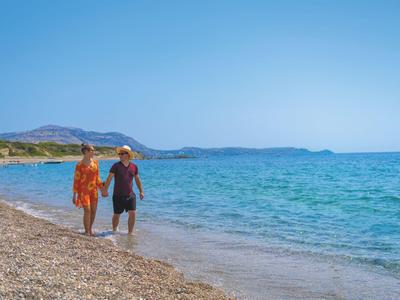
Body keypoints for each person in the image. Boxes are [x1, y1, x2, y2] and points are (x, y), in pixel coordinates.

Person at [102, 145, 144, 235]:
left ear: (128, 155)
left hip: (130, 195)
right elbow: (109, 178)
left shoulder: (134, 167)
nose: (120, 155)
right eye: (119, 153)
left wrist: (141, 191)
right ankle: (114, 231)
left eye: (122, 153)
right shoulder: (115, 166)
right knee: (117, 214)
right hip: (118, 195)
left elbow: (137, 179)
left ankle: (130, 233)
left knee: (132, 213)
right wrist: (105, 190)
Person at [72, 143, 104, 236]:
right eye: (91, 150)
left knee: (93, 211)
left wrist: (102, 188)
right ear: (86, 151)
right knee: (87, 210)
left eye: (93, 150)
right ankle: (86, 231)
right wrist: (74, 195)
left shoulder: (95, 163)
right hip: (83, 191)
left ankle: (90, 230)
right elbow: (76, 180)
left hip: (94, 190)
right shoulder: (79, 165)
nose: (93, 152)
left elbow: (97, 178)